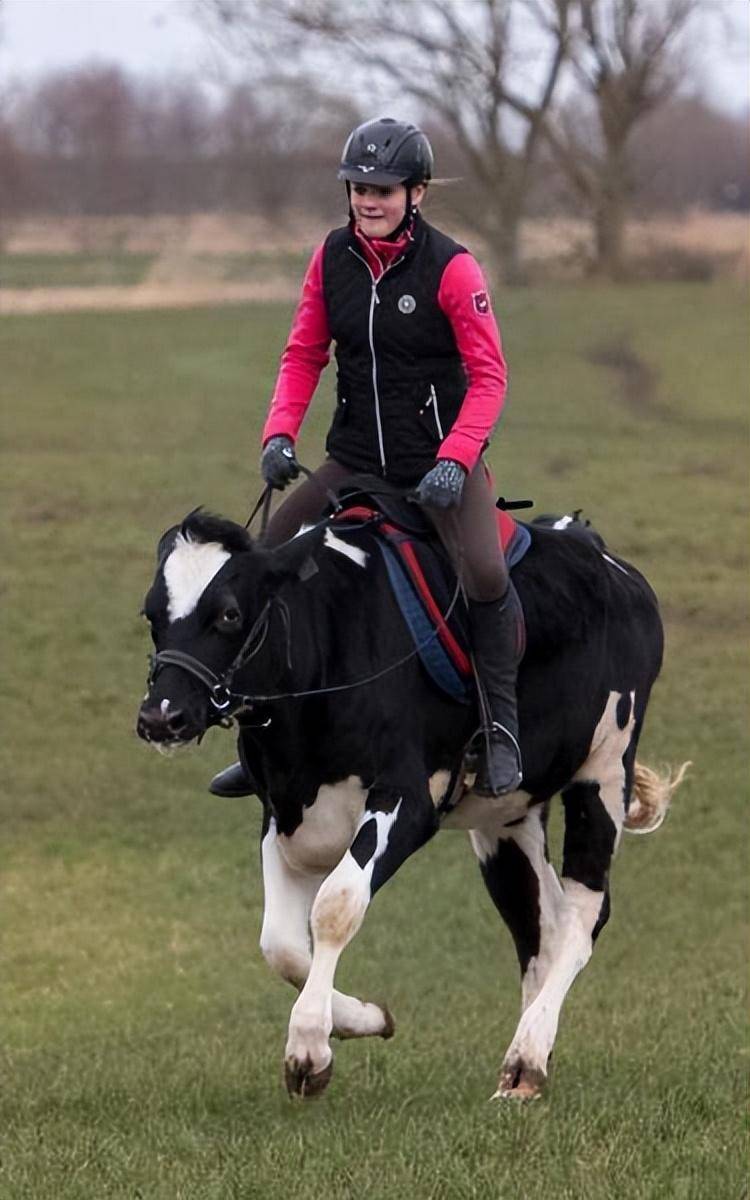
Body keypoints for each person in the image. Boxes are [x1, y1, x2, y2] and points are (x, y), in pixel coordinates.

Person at [211, 116, 522, 800]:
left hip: (440, 466)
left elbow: (490, 377)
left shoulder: (453, 267)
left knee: (487, 572)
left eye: (382, 189)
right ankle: (258, 738)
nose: (367, 200)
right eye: (357, 187)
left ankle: (499, 727)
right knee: (265, 556)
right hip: (356, 459)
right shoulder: (330, 259)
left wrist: (455, 458)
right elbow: (303, 354)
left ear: (418, 194)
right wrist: (278, 436)